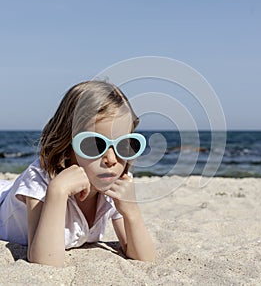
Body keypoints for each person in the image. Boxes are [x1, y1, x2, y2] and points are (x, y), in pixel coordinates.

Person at [0, 80, 155, 267]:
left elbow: (144, 258)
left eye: (125, 145)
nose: (112, 159)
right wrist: (57, 193)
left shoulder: (114, 185)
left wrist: (132, 212)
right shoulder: (39, 181)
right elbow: (45, 262)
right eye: (94, 144)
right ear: (67, 147)